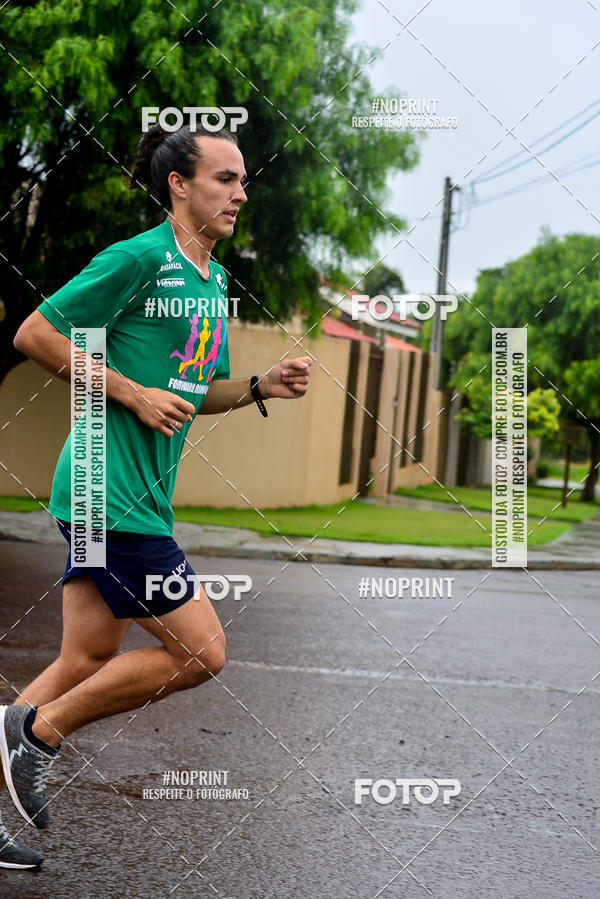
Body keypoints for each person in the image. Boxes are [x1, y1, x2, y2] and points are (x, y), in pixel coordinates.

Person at [0, 123, 312, 868]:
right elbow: (34, 332)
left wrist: (261, 387)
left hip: (124, 494)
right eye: (225, 178)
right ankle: (32, 733)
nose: (241, 192)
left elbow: (194, 390)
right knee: (201, 652)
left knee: (88, 651)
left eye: (243, 181)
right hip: (109, 491)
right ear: (179, 184)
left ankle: (20, 729)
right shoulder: (140, 257)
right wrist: (129, 391)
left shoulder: (210, 281)